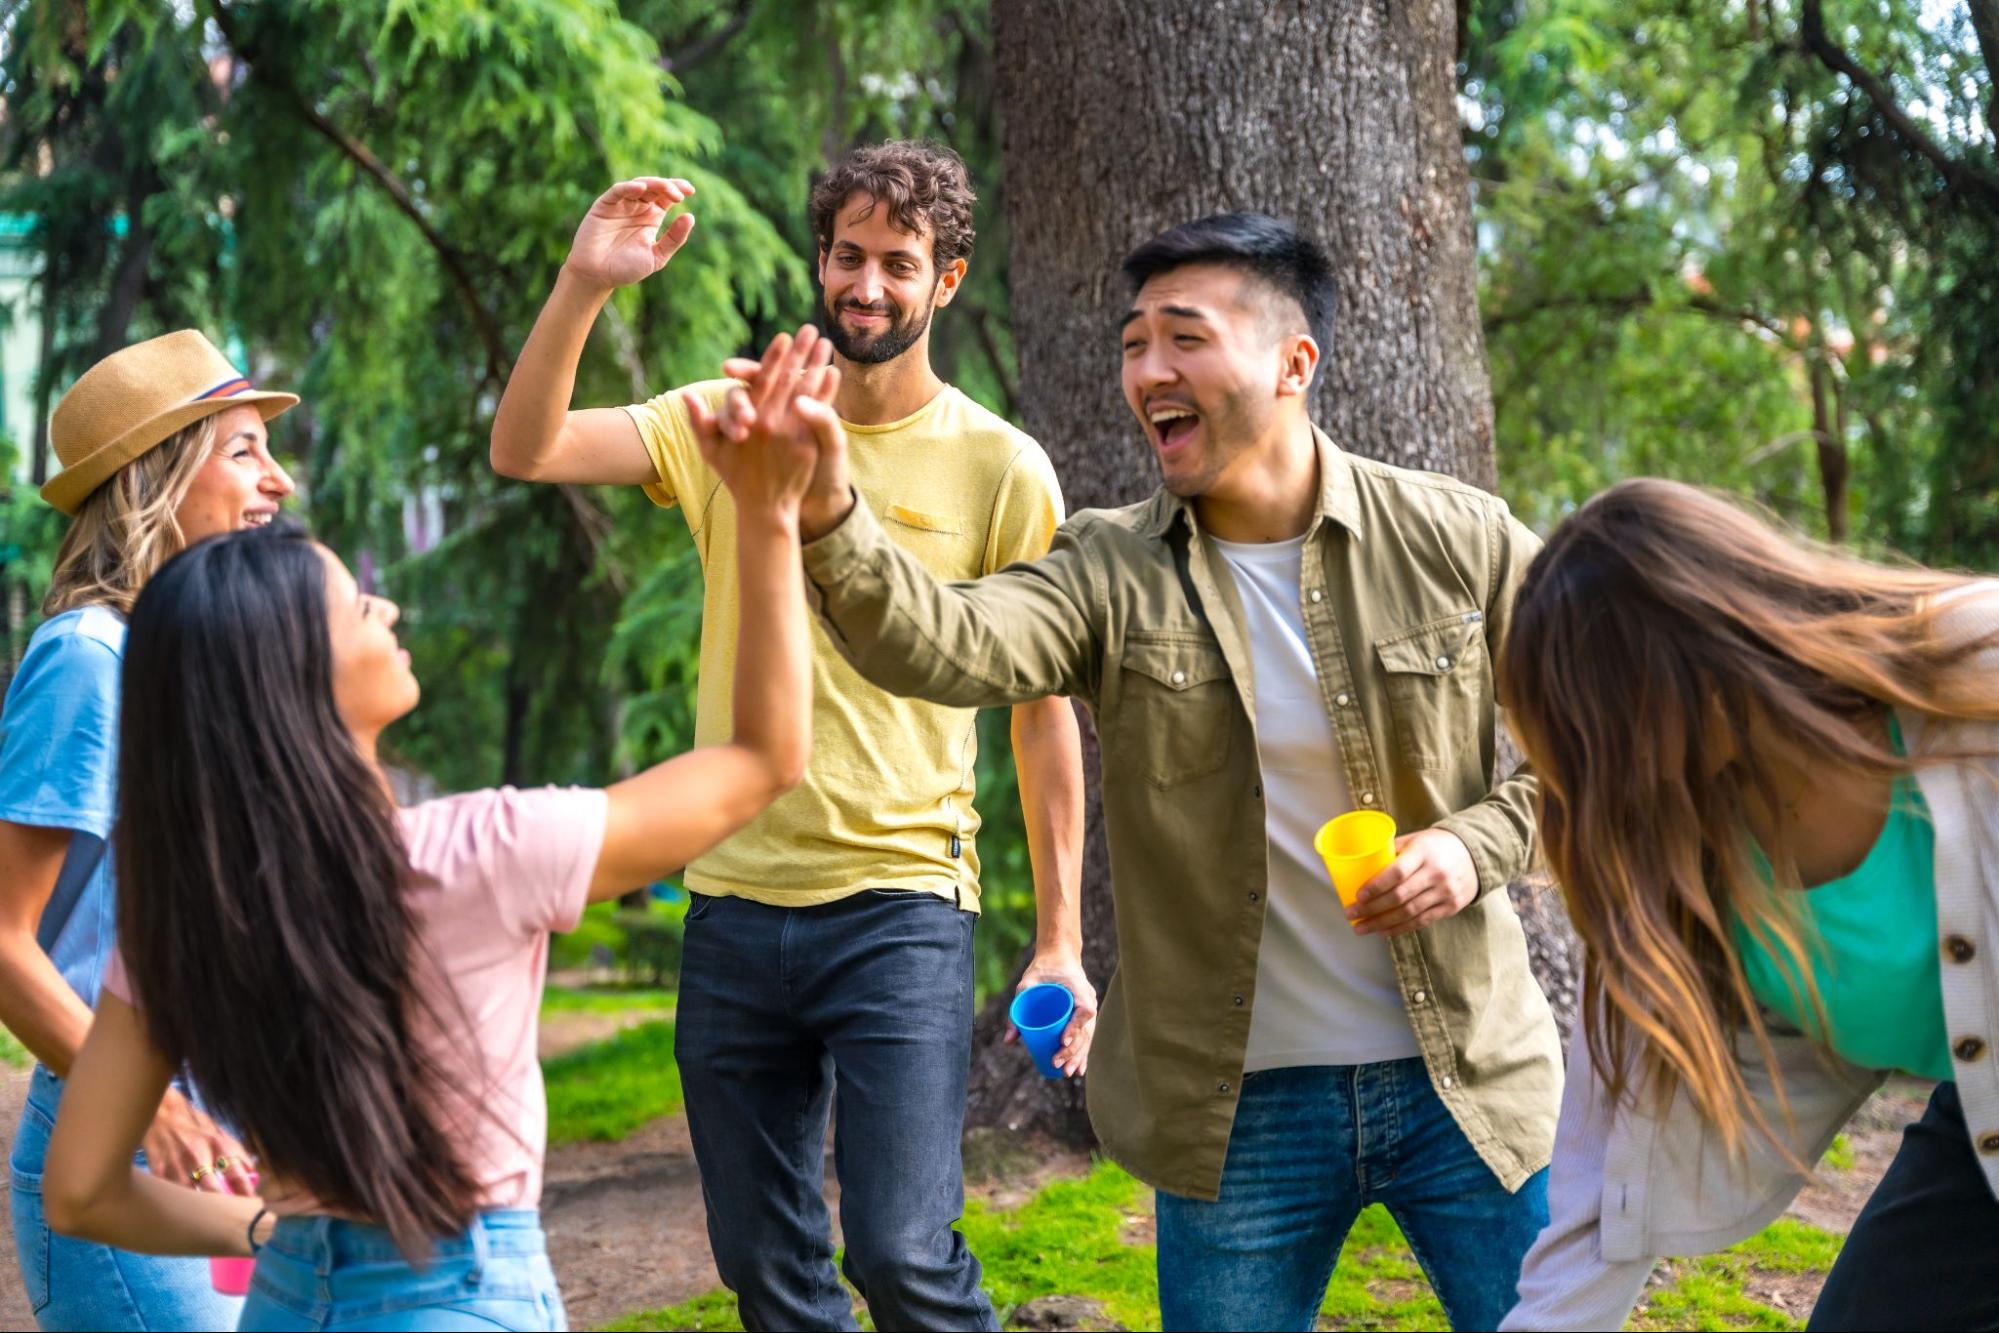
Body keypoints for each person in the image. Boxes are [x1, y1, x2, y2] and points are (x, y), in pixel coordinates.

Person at [727, 212, 1563, 1332]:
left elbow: (1613, 754)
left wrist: (1473, 844)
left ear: (1292, 363)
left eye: (1182, 338)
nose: (1147, 372)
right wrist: (829, 506)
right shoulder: (1106, 568)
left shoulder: (1460, 538)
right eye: (1131, 344)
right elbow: (941, 643)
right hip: (1233, 1109)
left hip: (1463, 1079)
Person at [37, 330, 825, 1332]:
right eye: (355, 603)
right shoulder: (478, 855)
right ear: (295, 683)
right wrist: (766, 510)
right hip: (457, 1296)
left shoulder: (187, 914)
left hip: (285, 1306)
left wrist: (262, 1230)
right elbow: (762, 759)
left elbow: (82, 1191)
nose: (388, 604)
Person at [489, 144, 1084, 1331]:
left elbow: (1043, 710)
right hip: (733, 900)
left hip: (903, 902)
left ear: (947, 280)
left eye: (898, 265)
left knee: (905, 1253)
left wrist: (1060, 939)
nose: (867, 286)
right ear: (821, 260)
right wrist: (584, 284)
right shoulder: (730, 422)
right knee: (765, 1269)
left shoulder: (1000, 466)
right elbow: (529, 448)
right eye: (849, 257)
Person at [1494, 479, 1999, 1332]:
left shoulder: (1973, 675)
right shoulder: (1676, 869)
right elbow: (1598, 1199)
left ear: (1701, 661)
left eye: (1601, 741)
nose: (1592, 792)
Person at [0, 330, 297, 1330]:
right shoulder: (87, 657)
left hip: (223, 1127)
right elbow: (5, 942)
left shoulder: (183, 659)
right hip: (129, 1138)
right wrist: (154, 1104)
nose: (281, 481)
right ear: (158, 475)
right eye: (247, 449)